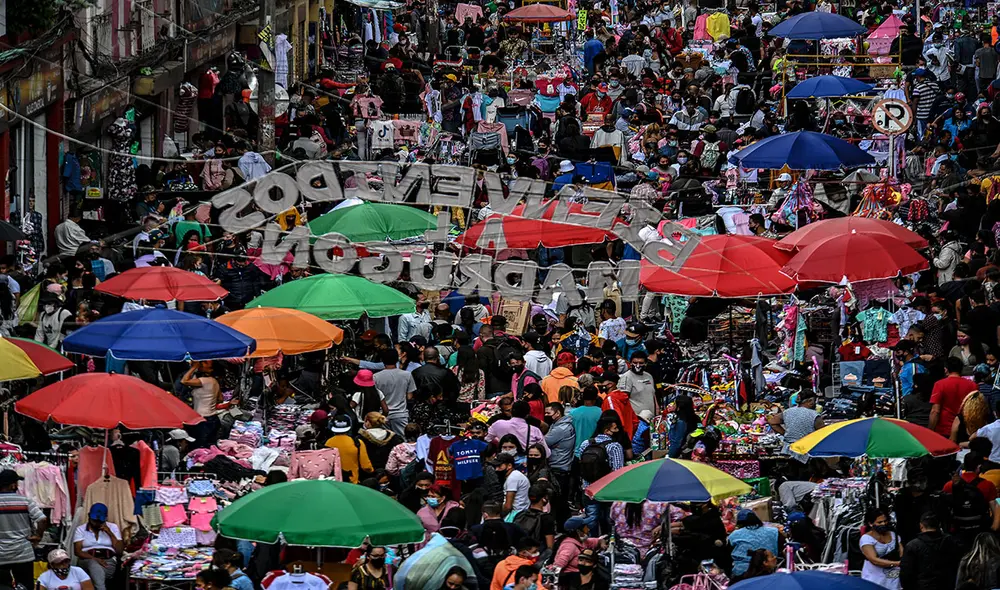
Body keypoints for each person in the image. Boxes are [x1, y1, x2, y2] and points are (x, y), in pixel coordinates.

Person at [0, 469, 46, 590]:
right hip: (23, 554)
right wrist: (38, 535)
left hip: (1, 555)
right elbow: (42, 519)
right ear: (13, 485)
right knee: (25, 586)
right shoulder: (25, 501)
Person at [899, 512, 960, 590]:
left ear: (921, 526)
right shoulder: (952, 541)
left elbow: (905, 576)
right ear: (939, 525)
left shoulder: (912, 546)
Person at [73, 503, 123, 590]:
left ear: (105, 518)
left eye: (100, 521)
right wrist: (96, 559)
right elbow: (77, 551)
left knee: (97, 572)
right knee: (93, 565)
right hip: (87, 560)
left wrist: (110, 533)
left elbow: (119, 551)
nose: (97, 524)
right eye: (94, 520)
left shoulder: (113, 527)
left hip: (108, 562)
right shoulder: (81, 529)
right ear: (89, 516)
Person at [930, 357, 979, 437]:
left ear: (946, 369)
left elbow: (935, 411)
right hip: (965, 429)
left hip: (944, 430)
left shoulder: (939, 384)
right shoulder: (973, 385)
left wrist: (930, 430)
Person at [767, 390, 824, 459]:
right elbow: (822, 434)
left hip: (788, 451)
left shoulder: (788, 411)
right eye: (814, 401)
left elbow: (772, 422)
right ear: (810, 401)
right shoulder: (814, 415)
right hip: (806, 452)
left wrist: (785, 434)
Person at [373, 348, 416, 436]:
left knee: (385, 441)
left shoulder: (375, 377)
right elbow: (409, 397)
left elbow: (376, 397)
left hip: (383, 415)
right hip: (401, 415)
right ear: (397, 359)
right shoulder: (407, 375)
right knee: (403, 441)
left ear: (382, 360)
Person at [728, 509, 781, 577]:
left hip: (742, 573)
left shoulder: (734, 535)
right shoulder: (773, 531)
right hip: (770, 571)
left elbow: (727, 555)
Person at [181, 361, 221, 448]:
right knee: (209, 447)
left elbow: (184, 381)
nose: (202, 363)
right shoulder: (215, 382)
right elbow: (220, 399)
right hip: (213, 418)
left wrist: (194, 367)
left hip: (203, 420)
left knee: (199, 447)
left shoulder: (205, 381)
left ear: (211, 370)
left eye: (206, 363)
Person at [860, 508, 902, 590]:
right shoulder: (866, 539)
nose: (884, 524)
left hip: (893, 579)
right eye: (879, 522)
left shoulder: (894, 535)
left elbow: (901, 553)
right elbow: (874, 560)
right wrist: (897, 563)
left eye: (885, 521)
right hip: (874, 579)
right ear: (871, 524)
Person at [325, 414, 374, 483]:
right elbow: (366, 466)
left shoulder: (327, 443)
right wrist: (372, 471)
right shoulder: (357, 443)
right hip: (352, 483)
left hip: (334, 482)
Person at [512, 485, 557, 550]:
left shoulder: (520, 514)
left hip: (520, 553)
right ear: (544, 498)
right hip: (536, 555)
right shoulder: (547, 519)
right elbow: (550, 546)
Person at [617, 351, 656, 416]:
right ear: (630, 363)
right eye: (635, 363)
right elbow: (622, 400)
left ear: (645, 363)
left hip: (651, 417)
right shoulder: (626, 377)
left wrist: (657, 410)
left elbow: (653, 395)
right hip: (636, 418)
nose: (637, 365)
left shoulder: (649, 376)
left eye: (641, 363)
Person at [570, 387, 603, 453]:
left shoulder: (573, 412)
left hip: (577, 451)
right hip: (595, 451)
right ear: (596, 397)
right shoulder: (601, 412)